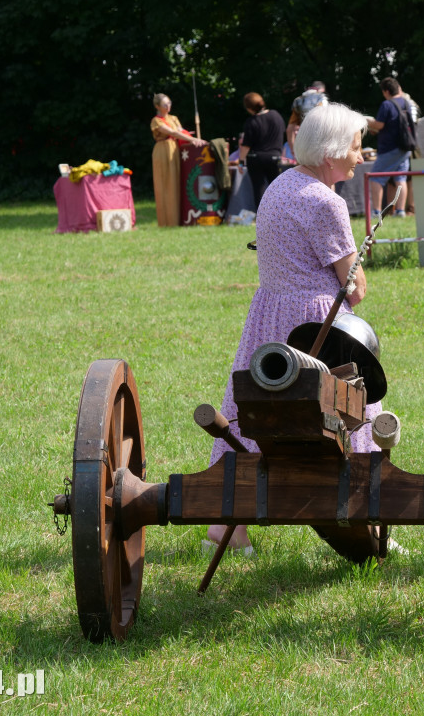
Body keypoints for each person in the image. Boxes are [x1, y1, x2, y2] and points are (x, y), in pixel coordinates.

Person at [206, 102, 382, 554]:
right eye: (355, 147)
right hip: (318, 326)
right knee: (346, 413)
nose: (360, 156)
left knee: (255, 415)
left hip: (270, 316)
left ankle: (227, 528)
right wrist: (361, 271)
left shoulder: (281, 184)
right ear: (331, 153)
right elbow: (355, 288)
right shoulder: (327, 202)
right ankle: (364, 512)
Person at [150, 93, 206, 227]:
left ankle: (177, 220)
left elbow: (181, 131)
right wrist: (193, 139)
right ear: (157, 106)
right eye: (164, 104)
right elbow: (173, 133)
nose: (168, 106)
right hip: (163, 151)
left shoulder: (174, 118)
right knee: (165, 184)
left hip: (175, 150)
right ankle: (166, 221)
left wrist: (193, 140)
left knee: (175, 183)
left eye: (169, 103)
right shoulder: (156, 120)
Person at [366, 76, 411, 217]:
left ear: (386, 91)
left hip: (390, 148)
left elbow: (380, 125)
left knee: (375, 178)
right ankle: (400, 211)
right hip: (406, 147)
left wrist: (367, 121)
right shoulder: (407, 103)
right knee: (400, 178)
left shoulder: (387, 105)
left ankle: (376, 212)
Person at [239, 92, 287, 212]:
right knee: (277, 188)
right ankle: (281, 213)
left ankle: (262, 215)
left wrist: (240, 162)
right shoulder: (276, 116)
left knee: (259, 188)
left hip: (256, 159)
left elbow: (246, 146)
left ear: (249, 108)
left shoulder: (252, 122)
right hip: (275, 157)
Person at [285, 81, 329, 158]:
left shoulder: (298, 100)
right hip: (321, 149)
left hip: (303, 146)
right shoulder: (322, 99)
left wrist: (293, 151)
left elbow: (290, 129)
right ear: (322, 90)